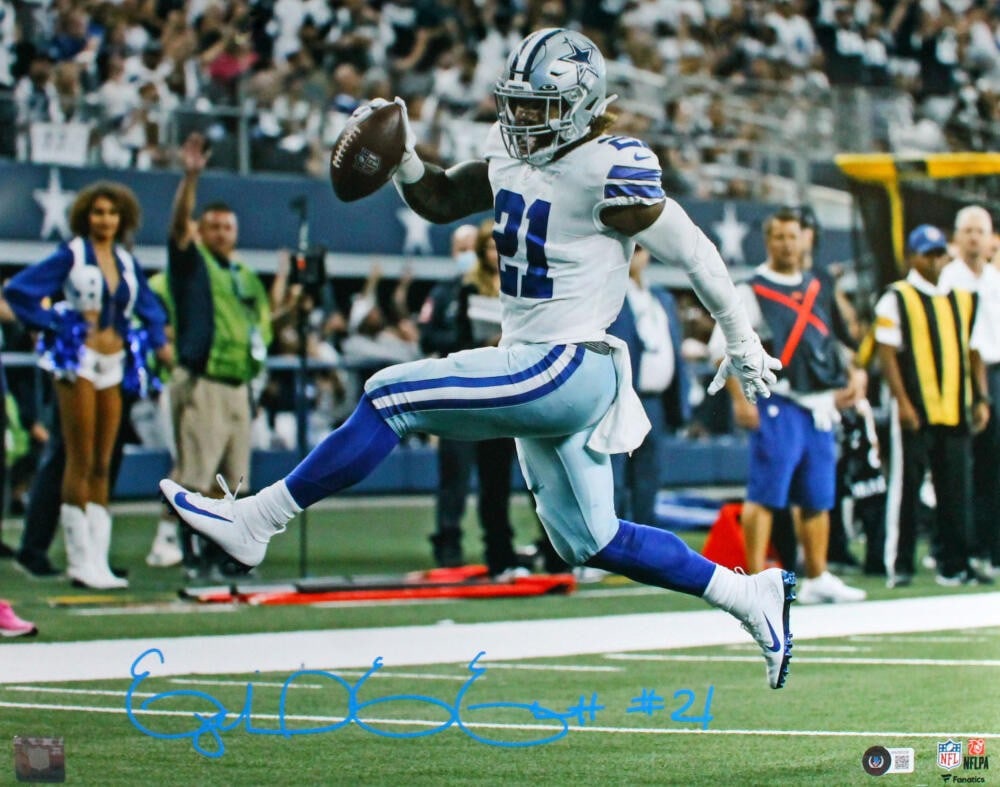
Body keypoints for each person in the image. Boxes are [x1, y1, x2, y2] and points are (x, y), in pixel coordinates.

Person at [163, 28, 796, 690]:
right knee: (591, 540)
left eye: (538, 107)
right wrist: (405, 161)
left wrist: (739, 337)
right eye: (515, 103)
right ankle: (746, 595)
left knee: (389, 395)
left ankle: (257, 519)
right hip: (542, 365)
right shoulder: (511, 154)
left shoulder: (609, 167)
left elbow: (693, 249)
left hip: (567, 362)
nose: (521, 118)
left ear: (582, 105)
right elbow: (441, 199)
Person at [4, 181, 171, 589]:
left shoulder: (126, 262)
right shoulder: (72, 254)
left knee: (103, 460)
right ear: (85, 216)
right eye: (98, 212)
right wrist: (54, 322)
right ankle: (80, 561)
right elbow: (18, 291)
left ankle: (99, 560)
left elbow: (150, 308)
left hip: (115, 363)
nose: (105, 220)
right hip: (77, 361)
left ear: (123, 218)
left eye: (112, 213)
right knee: (78, 458)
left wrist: (157, 341)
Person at [712, 207, 866, 604]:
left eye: (792, 236)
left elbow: (833, 340)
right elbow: (723, 349)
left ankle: (817, 574)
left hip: (818, 403)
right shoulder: (750, 289)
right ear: (768, 241)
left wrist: (854, 373)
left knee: (818, 495)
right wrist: (741, 399)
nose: (786, 244)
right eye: (779, 237)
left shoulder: (818, 286)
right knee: (765, 493)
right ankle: (753, 581)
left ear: (805, 239)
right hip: (777, 400)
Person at [162, 132, 272, 579]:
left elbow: (256, 327)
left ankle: (224, 554)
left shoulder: (243, 273)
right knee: (197, 474)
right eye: (214, 227)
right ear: (200, 231)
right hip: (204, 380)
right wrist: (191, 179)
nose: (222, 233)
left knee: (234, 480)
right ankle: (193, 554)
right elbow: (177, 231)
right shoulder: (193, 264)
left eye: (228, 227)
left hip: (238, 383)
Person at [876, 224, 992, 587]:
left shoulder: (962, 298)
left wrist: (980, 397)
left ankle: (955, 563)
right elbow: (887, 355)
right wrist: (902, 403)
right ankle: (900, 563)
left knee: (956, 490)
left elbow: (973, 351)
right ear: (912, 257)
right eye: (928, 254)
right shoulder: (897, 297)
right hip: (917, 408)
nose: (935, 260)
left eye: (940, 253)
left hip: (955, 406)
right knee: (907, 489)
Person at [419, 221, 525, 578]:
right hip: (463, 396)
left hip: (502, 398)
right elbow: (431, 337)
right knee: (455, 477)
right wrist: (475, 343)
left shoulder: (519, 289)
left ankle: (500, 549)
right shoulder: (455, 290)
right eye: (487, 247)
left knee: (498, 479)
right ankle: (448, 545)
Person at [607, 245, 689, 526]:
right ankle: (612, 541)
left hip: (656, 400)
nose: (635, 253)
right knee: (614, 477)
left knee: (648, 478)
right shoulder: (607, 294)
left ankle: (644, 540)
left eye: (640, 248)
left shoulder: (660, 297)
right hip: (619, 398)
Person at [938, 206, 1000, 579]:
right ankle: (959, 549)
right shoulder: (948, 279)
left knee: (993, 465)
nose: (975, 237)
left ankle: (991, 548)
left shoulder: (995, 279)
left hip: (996, 372)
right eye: (969, 231)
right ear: (957, 237)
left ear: (990, 238)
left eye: (981, 231)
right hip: (957, 376)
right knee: (960, 467)